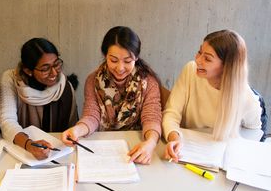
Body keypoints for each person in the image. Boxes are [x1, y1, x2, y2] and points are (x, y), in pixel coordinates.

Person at [62, 26, 162, 165]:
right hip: (102, 148)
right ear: (105, 56)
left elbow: (151, 117)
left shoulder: (148, 82)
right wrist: (77, 130)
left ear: (136, 57)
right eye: (114, 60)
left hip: (136, 147)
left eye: (127, 61)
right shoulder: (93, 81)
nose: (120, 68)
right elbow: (92, 115)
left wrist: (150, 143)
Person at [162, 29, 262, 162]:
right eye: (199, 52)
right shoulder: (190, 71)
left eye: (207, 58)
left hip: (219, 161)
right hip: (186, 154)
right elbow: (171, 113)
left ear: (227, 66)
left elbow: (254, 132)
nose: (197, 60)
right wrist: (174, 138)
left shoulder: (247, 98)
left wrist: (235, 154)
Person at [0, 38, 78, 160]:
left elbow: (72, 127)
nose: (54, 73)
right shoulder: (11, 80)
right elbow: (7, 122)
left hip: (58, 154)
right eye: (45, 69)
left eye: (56, 64)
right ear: (28, 71)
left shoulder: (65, 86)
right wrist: (29, 144)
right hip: (22, 153)